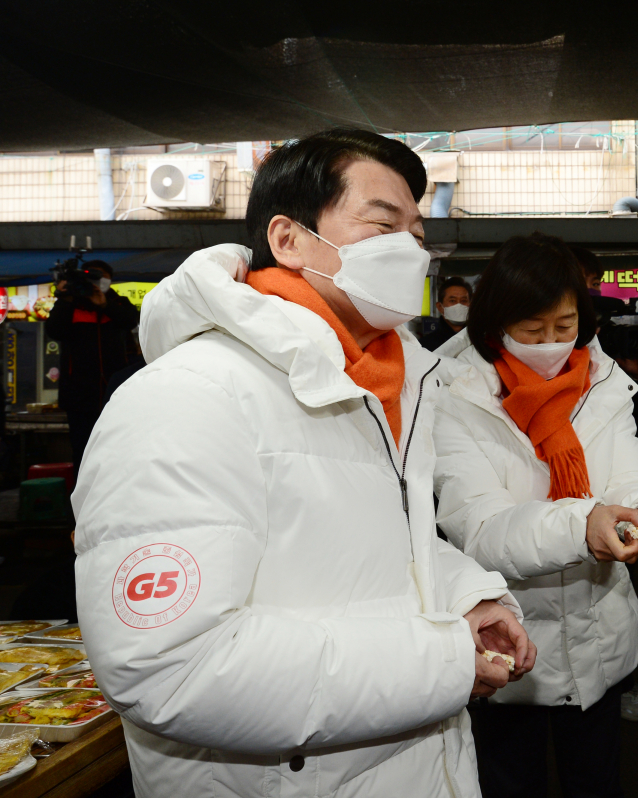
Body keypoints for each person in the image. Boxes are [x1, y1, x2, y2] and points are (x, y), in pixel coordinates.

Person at [72, 129, 533, 798]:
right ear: (288, 239)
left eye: (417, 232)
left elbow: (369, 546)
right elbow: (171, 669)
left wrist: (467, 595)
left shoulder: (382, 386)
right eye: (383, 225)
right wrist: (444, 660)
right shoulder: (189, 397)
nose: (410, 249)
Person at [433, 233, 638, 798]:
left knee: (596, 780)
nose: (551, 344)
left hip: (601, 643)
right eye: (532, 330)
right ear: (496, 323)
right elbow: (481, 529)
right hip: (510, 646)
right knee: (510, 782)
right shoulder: (453, 395)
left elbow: (627, 466)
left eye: (564, 326)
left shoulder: (600, 379)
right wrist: (583, 525)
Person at [44, 259, 139, 479]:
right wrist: (65, 298)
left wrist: (105, 304)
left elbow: (130, 320)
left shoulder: (117, 303)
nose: (97, 282)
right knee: (83, 450)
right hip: (79, 396)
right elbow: (54, 330)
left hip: (115, 394)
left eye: (102, 277)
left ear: (110, 280)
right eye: (92, 276)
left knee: (117, 449)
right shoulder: (71, 305)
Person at [421, 275, 472, 351]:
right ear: (440, 307)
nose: (458, 305)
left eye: (463, 301)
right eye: (452, 301)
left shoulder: (481, 341)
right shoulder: (425, 345)